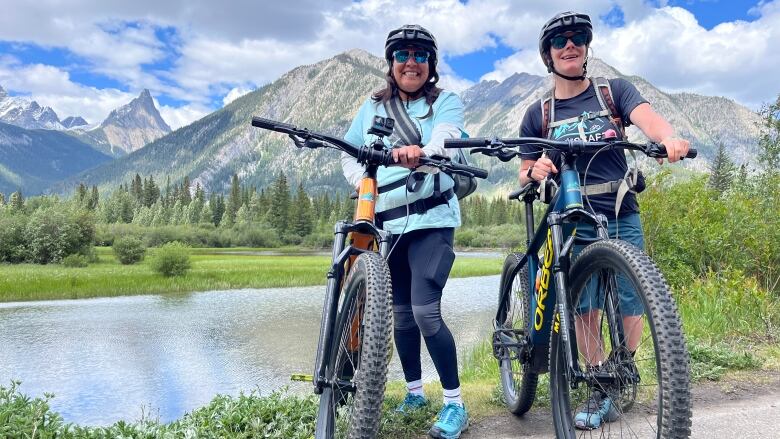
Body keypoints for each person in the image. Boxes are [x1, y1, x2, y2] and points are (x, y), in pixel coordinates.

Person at [517, 11, 690, 431]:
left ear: (587, 46)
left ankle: (622, 366)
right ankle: (597, 382)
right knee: (585, 303)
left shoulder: (613, 92)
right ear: (549, 55)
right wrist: (534, 171)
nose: (570, 45)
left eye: (577, 38)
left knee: (634, 294)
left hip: (618, 208)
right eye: (560, 41)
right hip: (572, 216)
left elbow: (649, 119)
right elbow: (523, 171)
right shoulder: (539, 112)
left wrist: (666, 138)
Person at [340, 24, 468, 439]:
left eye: (419, 55)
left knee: (426, 311)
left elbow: (447, 138)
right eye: (402, 55)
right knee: (399, 316)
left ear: (430, 65)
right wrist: (364, 183)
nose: (410, 62)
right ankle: (415, 392)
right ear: (391, 63)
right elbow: (349, 152)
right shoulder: (371, 107)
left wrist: (423, 153)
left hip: (432, 220)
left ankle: (454, 404)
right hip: (389, 226)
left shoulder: (445, 101)